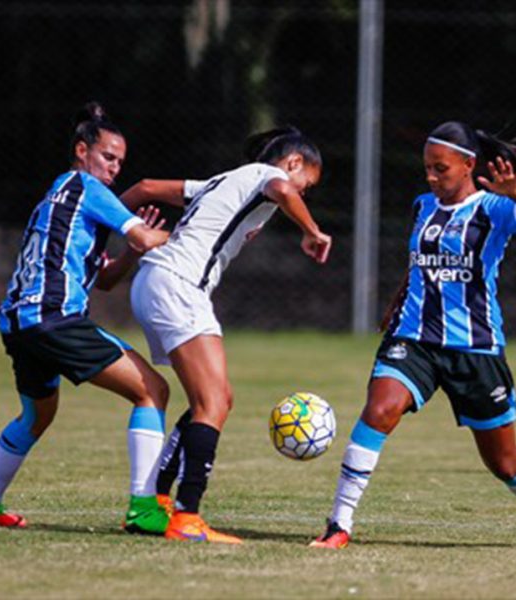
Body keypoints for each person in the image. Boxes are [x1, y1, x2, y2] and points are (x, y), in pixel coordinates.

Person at [0, 102, 173, 535]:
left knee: (36, 417)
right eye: (108, 157)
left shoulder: (64, 200)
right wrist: (203, 230)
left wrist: (134, 252)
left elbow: (107, 281)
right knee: (152, 389)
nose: (114, 168)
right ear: (82, 151)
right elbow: (144, 232)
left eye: (119, 161)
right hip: (53, 317)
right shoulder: (84, 186)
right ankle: (143, 507)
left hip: (21, 324)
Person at [310, 121, 516, 549]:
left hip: (475, 348)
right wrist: (397, 299)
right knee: (380, 409)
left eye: (440, 168)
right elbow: (421, 259)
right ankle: (338, 525)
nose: (431, 176)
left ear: (468, 165)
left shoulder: (497, 208)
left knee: (505, 463)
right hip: (413, 339)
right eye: (427, 167)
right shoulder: (423, 205)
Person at [123, 126, 333, 543]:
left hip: (155, 282)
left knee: (217, 399)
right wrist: (311, 229)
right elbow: (283, 190)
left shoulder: (221, 181)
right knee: (213, 401)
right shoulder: (263, 175)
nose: (302, 195)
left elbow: (145, 187)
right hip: (179, 284)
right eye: (307, 184)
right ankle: (186, 518)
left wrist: (104, 224)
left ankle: (161, 503)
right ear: (293, 164)